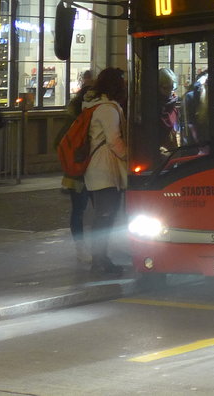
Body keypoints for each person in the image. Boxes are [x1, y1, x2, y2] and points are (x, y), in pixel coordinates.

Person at [82, 66, 129, 276]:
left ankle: (101, 259)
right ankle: (100, 260)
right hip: (104, 169)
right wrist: (129, 156)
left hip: (97, 168)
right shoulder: (108, 109)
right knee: (105, 216)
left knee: (104, 216)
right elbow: (114, 141)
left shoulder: (94, 106)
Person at [61, 69, 94, 263]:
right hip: (89, 170)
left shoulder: (73, 114)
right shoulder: (91, 113)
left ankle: (83, 248)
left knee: (79, 210)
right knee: (90, 209)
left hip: (77, 172)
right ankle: (89, 249)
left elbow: (60, 142)